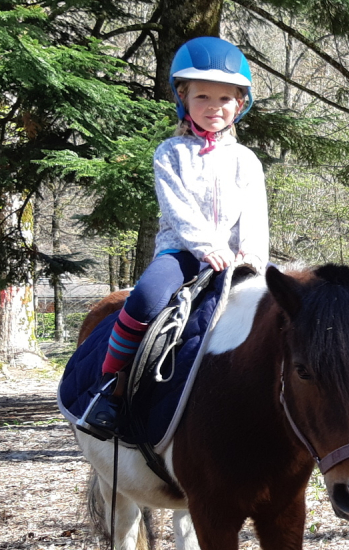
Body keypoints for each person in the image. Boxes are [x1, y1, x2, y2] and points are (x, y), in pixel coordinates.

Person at [78, 36, 269, 440]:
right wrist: (206, 247)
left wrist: (252, 254)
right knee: (146, 297)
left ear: (240, 103)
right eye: (202, 96)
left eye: (224, 98)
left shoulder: (246, 160)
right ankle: (108, 388)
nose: (213, 107)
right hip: (182, 252)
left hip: (239, 258)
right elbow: (177, 208)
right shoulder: (170, 152)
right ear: (183, 97)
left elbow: (255, 212)